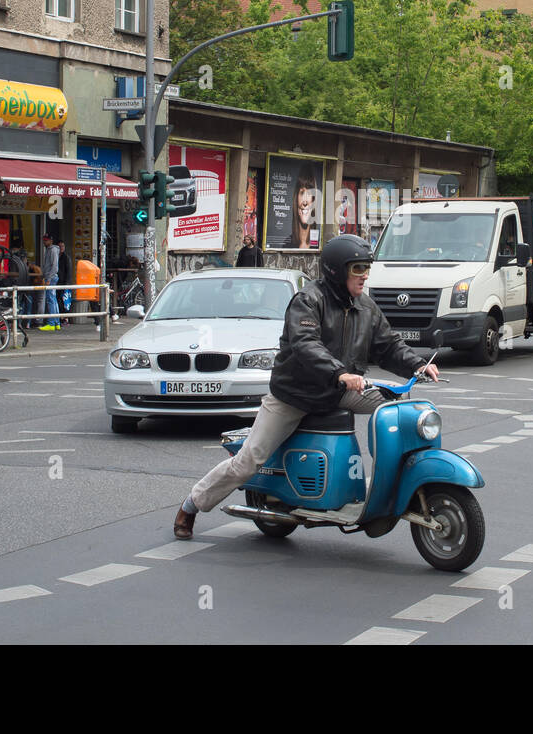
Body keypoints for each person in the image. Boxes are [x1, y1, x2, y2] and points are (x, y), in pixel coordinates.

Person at [173, 234, 439, 540]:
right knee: (248, 462)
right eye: (358, 268)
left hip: (340, 390)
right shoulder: (308, 301)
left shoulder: (366, 306)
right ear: (337, 270)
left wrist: (417, 364)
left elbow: (388, 345)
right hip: (295, 395)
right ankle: (191, 505)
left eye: (367, 267)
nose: (365, 274)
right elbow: (305, 345)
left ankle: (390, 485)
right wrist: (340, 373)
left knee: (398, 408)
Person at [288, 171, 317, 249]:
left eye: (309, 193)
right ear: (296, 199)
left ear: (313, 200)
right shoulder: (286, 245)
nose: (305, 202)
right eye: (302, 192)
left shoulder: (319, 244)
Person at [37, 234, 60, 332]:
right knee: (53, 300)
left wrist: (48, 278)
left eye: (46, 240)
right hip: (50, 277)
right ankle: (56, 322)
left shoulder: (53, 250)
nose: (44, 242)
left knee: (50, 300)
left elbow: (54, 266)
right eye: (44, 240)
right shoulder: (50, 250)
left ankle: (51, 323)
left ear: (51, 240)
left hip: (51, 278)